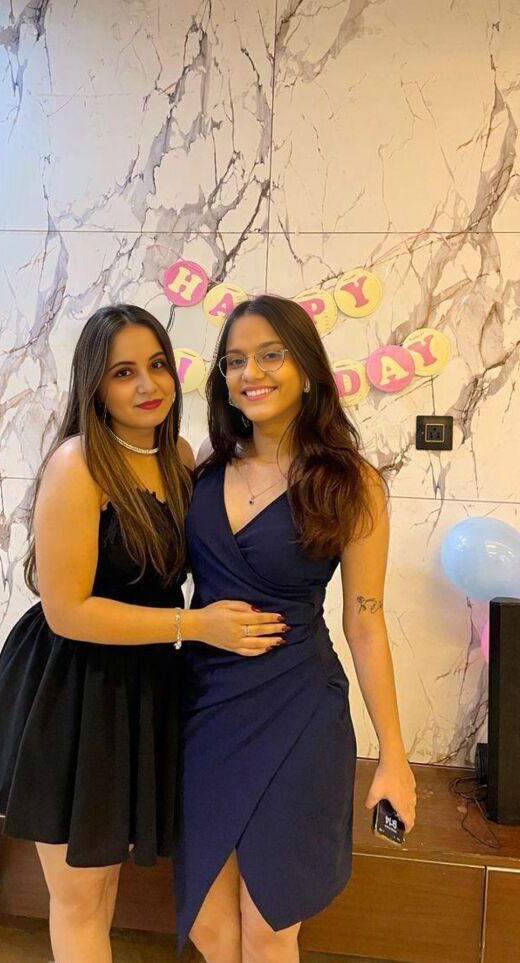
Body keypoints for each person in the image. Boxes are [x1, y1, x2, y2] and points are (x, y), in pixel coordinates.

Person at [0, 304, 285, 963]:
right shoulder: (77, 464)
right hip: (72, 691)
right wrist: (195, 625)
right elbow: (66, 611)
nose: (147, 384)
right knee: (81, 900)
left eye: (158, 365)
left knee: (106, 884)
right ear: (95, 385)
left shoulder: (177, 456)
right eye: (123, 372)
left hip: (144, 685)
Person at [174, 294, 417, 963]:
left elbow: (365, 623)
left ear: (307, 368)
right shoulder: (207, 464)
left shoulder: (351, 482)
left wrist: (394, 756)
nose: (250, 372)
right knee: (209, 924)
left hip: (299, 712)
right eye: (234, 361)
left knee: (270, 923)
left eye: (270, 355)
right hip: (204, 709)